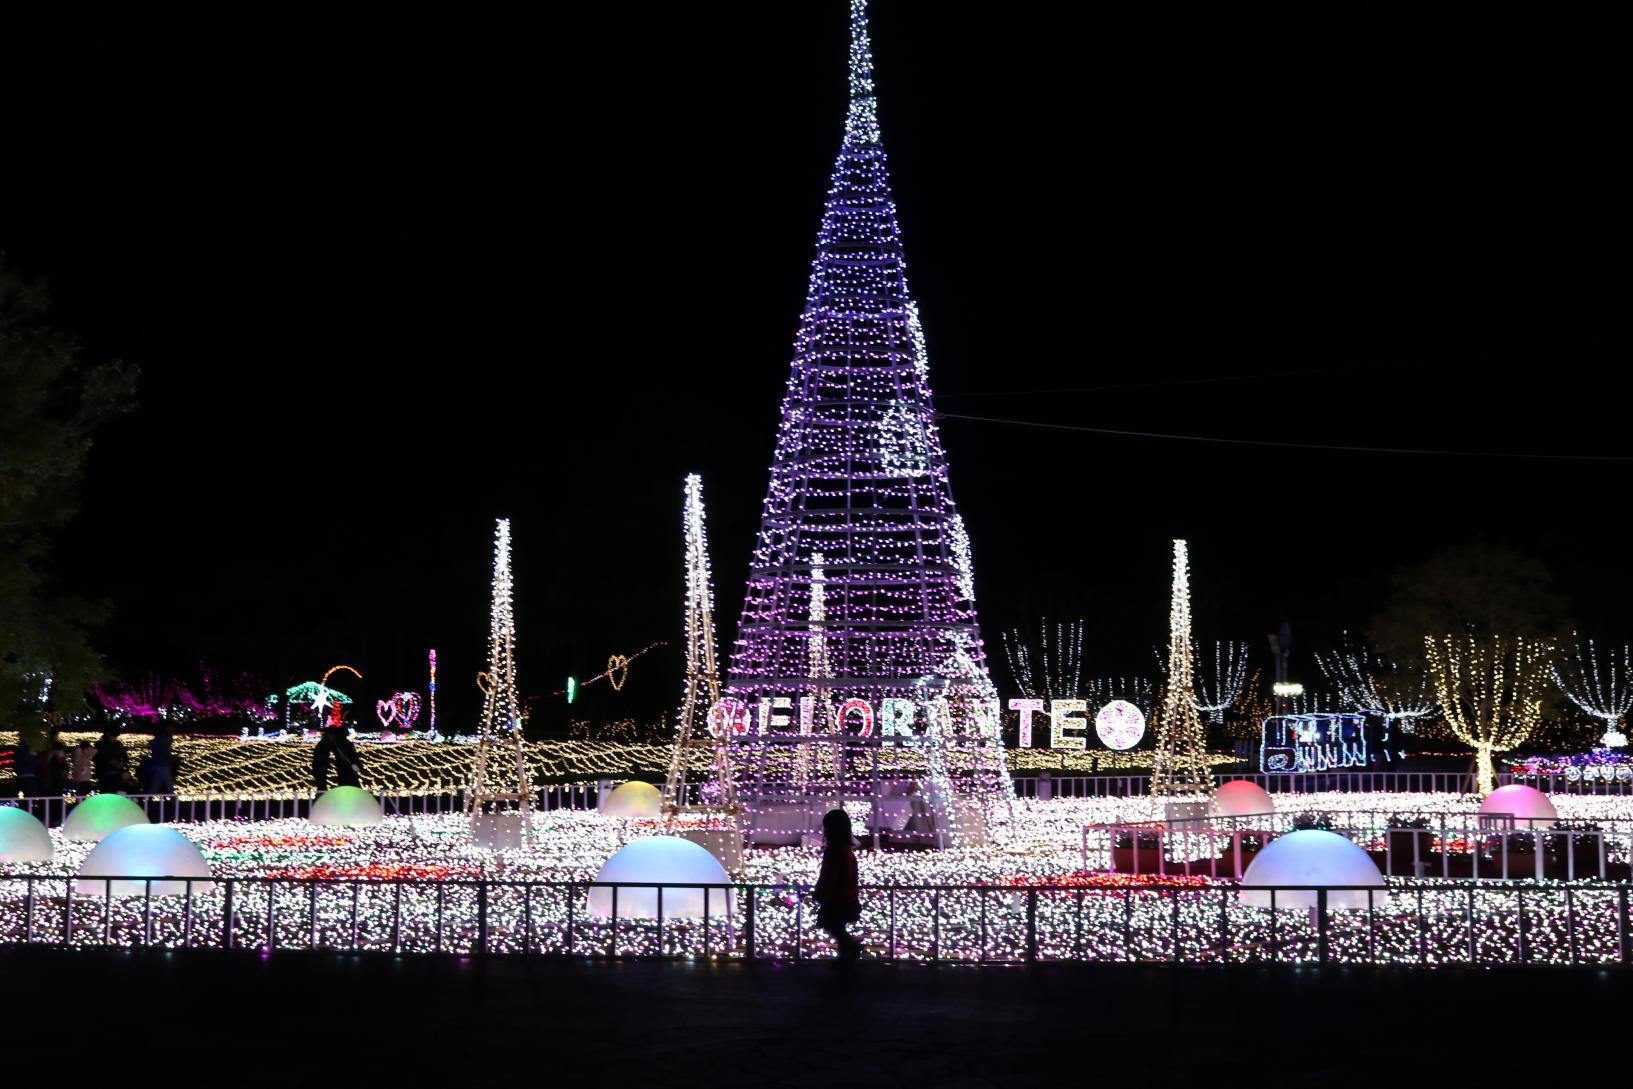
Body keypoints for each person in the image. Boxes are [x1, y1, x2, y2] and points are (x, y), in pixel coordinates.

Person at [813, 808, 862, 961]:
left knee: (833, 926)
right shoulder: (846, 849)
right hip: (847, 896)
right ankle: (845, 958)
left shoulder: (835, 850)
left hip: (837, 898)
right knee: (838, 927)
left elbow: (831, 874)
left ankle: (851, 948)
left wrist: (822, 893)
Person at [312, 725, 363, 791]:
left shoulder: (334, 743)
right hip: (347, 768)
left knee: (346, 784)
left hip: (343, 769)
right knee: (351, 784)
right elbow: (353, 757)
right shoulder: (343, 743)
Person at [93, 729, 129, 793]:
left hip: (116, 772)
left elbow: (125, 756)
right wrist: (111, 762)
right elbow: (97, 758)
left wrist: (122, 763)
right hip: (104, 772)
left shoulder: (117, 744)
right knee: (106, 791)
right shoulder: (100, 744)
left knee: (114, 790)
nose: (114, 738)